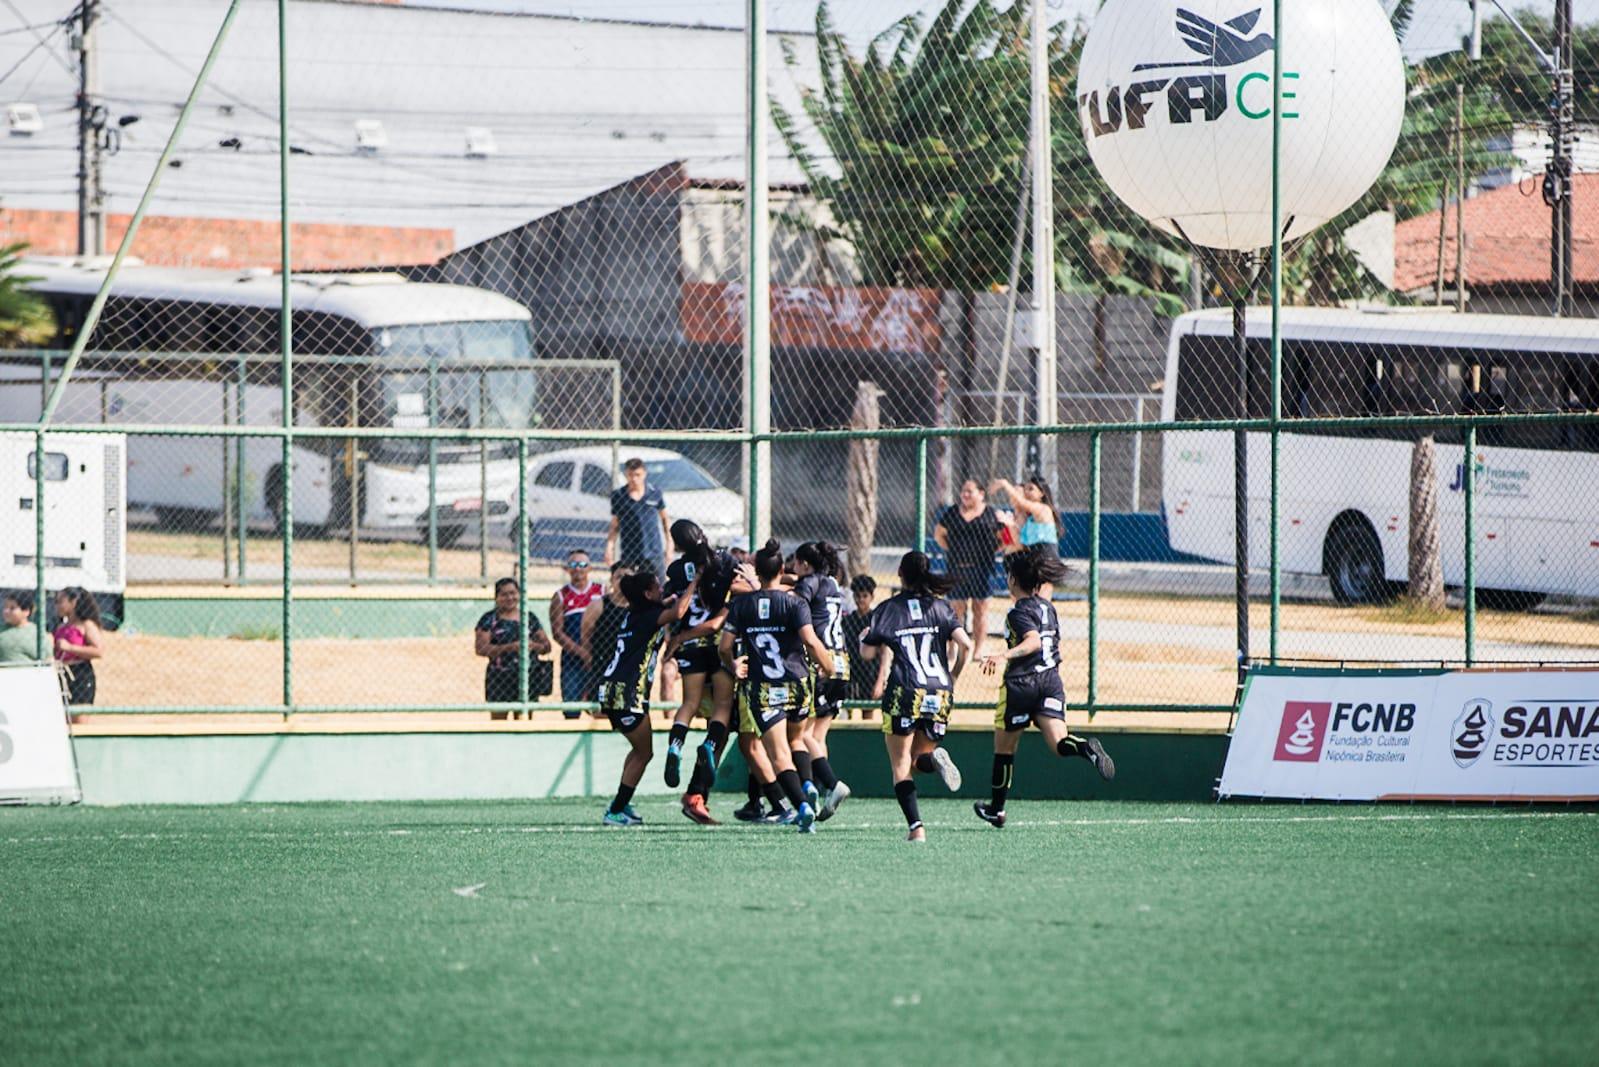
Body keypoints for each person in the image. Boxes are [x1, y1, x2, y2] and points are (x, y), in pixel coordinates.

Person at [974, 547, 1115, 828]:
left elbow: (1033, 642)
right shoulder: (1048, 607)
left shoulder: (1017, 612)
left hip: (1020, 684)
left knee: (1004, 749)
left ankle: (997, 810)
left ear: (1014, 579)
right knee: (1060, 743)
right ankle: (1086, 747)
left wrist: (1003, 655)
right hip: (1051, 682)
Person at [719, 539, 833, 832]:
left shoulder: (741, 605)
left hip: (765, 688)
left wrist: (733, 665)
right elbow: (809, 640)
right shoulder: (795, 602)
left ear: (756, 571)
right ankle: (807, 785)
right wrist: (829, 665)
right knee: (797, 741)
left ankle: (802, 806)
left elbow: (724, 646)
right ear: (782, 570)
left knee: (779, 754)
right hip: (797, 683)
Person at [863, 552, 973, 842]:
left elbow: (866, 653)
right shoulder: (942, 607)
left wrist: (867, 635)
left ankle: (917, 828)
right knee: (918, 760)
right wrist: (954, 678)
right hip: (939, 690)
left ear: (900, 573)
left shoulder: (888, 609)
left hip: (904, 689)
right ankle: (934, 760)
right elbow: (967, 646)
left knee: (900, 767)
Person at [598, 569, 698, 827]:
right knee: (644, 753)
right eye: (656, 587)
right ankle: (616, 810)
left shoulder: (634, 614)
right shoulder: (649, 616)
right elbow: (676, 613)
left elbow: (662, 610)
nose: (662, 590)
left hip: (616, 689)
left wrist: (665, 602)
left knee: (639, 751)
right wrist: (695, 582)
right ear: (646, 594)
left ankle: (621, 802)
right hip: (626, 692)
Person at [793, 540, 852, 821]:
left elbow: (797, 605)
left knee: (802, 735)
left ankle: (832, 784)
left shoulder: (810, 584)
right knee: (818, 737)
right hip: (842, 663)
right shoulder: (832, 583)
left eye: (795, 563)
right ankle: (820, 791)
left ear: (805, 564)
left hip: (821, 663)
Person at [934, 479, 1002, 657]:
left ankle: (978, 650)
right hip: (957, 569)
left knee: (980, 610)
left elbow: (1002, 538)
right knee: (956, 610)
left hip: (982, 569)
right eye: (963, 491)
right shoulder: (952, 513)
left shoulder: (990, 513)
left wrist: (989, 550)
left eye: (969, 491)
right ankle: (953, 648)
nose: (965, 494)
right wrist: (953, 549)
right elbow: (939, 534)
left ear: (981, 494)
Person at [476, 578, 552, 718]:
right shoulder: (489, 619)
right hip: (499, 676)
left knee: (523, 719)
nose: (509, 598)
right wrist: (510, 648)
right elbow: (481, 649)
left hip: (528, 675)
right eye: (504, 594)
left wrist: (533, 646)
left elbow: (546, 646)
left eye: (513, 593)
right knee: (499, 720)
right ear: (497, 597)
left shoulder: (529, 617)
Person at [549, 550, 603, 717]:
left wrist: (593, 654)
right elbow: (557, 632)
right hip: (572, 659)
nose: (578, 569)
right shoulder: (560, 596)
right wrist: (582, 653)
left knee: (601, 708)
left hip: (599, 657)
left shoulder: (601, 591)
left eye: (582, 565)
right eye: (573, 565)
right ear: (567, 569)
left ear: (590, 568)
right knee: (572, 708)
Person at [605, 457, 670, 573]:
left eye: (637, 475)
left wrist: (670, 544)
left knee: (658, 587)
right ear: (625, 475)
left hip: (653, 551)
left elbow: (665, 519)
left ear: (644, 474)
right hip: (630, 552)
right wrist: (610, 547)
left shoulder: (654, 493)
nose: (634, 479)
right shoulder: (619, 496)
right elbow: (615, 525)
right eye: (630, 475)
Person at [581, 564, 634, 704]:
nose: (623, 580)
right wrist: (589, 656)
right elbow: (586, 633)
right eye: (619, 577)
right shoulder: (599, 605)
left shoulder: (640, 606)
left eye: (628, 577)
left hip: (630, 664)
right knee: (601, 707)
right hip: (602, 662)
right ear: (611, 580)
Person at [53, 586, 105, 706]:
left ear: (73, 602)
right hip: (61, 672)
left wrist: (70, 648)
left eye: (60, 602)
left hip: (79, 673)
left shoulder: (86, 625)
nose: (57, 606)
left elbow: (99, 651)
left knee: (79, 717)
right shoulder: (62, 626)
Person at [991, 476, 1061, 559]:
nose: (1027, 492)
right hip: (1036, 558)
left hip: (1046, 557)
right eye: (1026, 490)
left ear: (1042, 493)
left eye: (1031, 489)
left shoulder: (1043, 508)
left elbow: (1021, 502)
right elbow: (1014, 541)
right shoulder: (1030, 520)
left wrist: (1004, 483)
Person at [842, 574, 878, 708]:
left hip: (870, 670)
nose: (861, 600)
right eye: (857, 596)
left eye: (865, 596)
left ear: (872, 597)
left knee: (867, 706)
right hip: (851, 667)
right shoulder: (848, 620)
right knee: (848, 705)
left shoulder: (875, 620)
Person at [0, 590, 39, 664]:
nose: (6, 611)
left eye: (12, 608)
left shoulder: (37, 633)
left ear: (26, 611)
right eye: (5, 607)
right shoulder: (1, 630)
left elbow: (48, 660)